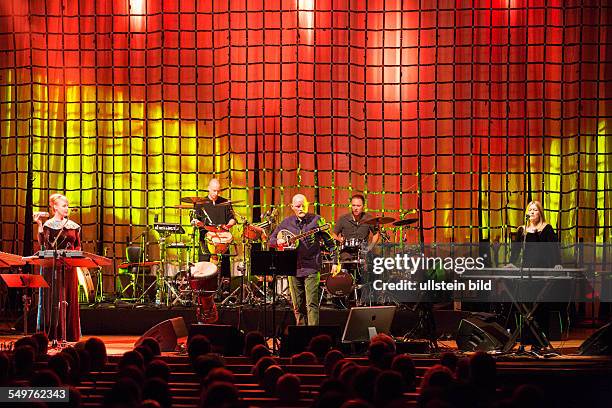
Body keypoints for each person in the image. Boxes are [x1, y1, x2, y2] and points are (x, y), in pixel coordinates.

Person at [269, 194, 336, 325]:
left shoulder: (317, 220)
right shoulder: (286, 222)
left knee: (311, 304)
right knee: (298, 306)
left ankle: (313, 336)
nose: (301, 208)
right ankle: (301, 334)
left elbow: (331, 244)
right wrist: (279, 241)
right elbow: (271, 240)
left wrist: (335, 262)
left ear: (308, 205)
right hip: (292, 267)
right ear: (292, 207)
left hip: (311, 266)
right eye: (298, 206)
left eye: (303, 205)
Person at [508, 200, 563, 349]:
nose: (532, 212)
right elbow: (516, 251)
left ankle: (539, 343)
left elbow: (554, 250)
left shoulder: (546, 229)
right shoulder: (522, 231)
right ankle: (525, 341)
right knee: (526, 307)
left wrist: (557, 264)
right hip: (526, 274)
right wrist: (512, 263)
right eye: (530, 209)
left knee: (539, 308)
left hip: (542, 273)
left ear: (540, 212)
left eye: (535, 209)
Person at [34, 193, 82, 342]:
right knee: (53, 299)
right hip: (52, 268)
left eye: (67, 205)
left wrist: (73, 256)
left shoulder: (74, 226)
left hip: (69, 268)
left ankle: (68, 333)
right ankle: (52, 332)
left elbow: (78, 246)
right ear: (55, 207)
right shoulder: (48, 225)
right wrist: (40, 225)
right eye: (64, 205)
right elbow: (44, 245)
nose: (67, 208)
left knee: (68, 297)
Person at [192, 178, 236, 281]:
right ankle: (205, 292)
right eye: (213, 190)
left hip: (222, 241)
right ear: (208, 189)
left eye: (218, 191)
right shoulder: (200, 203)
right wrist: (197, 223)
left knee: (224, 269)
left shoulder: (225, 203)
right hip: (206, 241)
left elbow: (232, 219)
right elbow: (194, 219)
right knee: (205, 270)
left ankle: (224, 290)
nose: (216, 193)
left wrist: (229, 225)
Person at [333, 193, 380, 262]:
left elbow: (376, 234)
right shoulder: (343, 219)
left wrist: (370, 247)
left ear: (363, 206)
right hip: (346, 251)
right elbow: (333, 234)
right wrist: (339, 239)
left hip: (363, 251)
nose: (355, 208)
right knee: (346, 259)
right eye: (353, 205)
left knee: (372, 261)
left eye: (358, 206)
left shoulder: (369, 218)